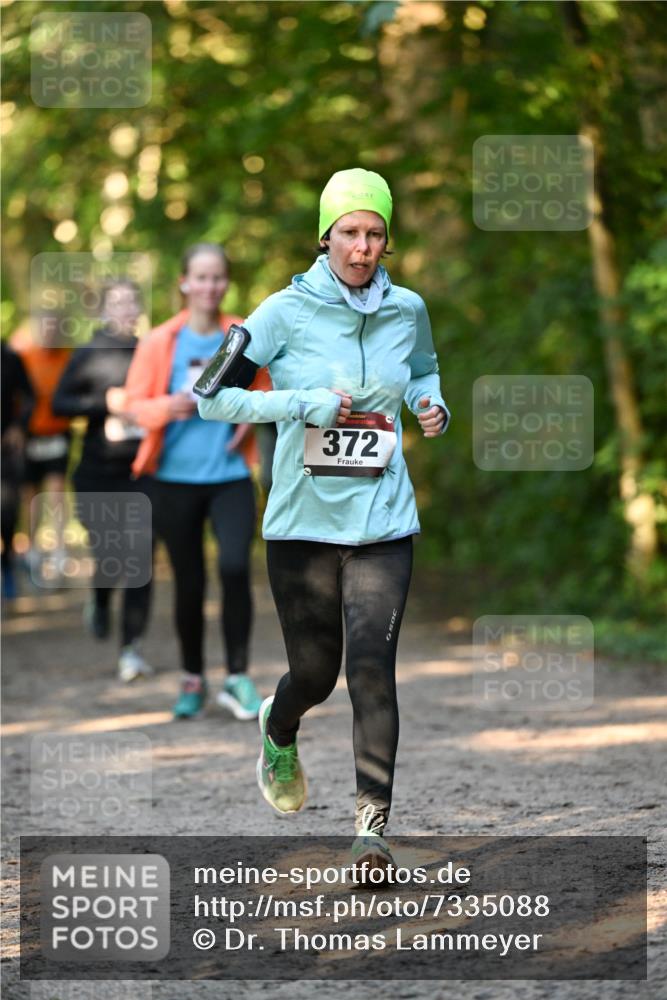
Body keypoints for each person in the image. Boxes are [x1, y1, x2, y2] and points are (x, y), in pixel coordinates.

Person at [198, 168, 450, 873]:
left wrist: (432, 406)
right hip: (302, 527)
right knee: (316, 674)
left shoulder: (408, 310)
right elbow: (210, 399)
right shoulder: (283, 311)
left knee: (373, 670)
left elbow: (424, 371)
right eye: (349, 232)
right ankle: (278, 729)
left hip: (383, 523)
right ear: (324, 235)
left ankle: (371, 832)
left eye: (375, 234)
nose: (363, 247)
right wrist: (300, 403)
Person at [123, 243, 270, 719]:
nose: (209, 287)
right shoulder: (160, 341)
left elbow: (267, 386)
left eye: (218, 278)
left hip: (229, 476)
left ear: (226, 283)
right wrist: (167, 406)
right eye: (200, 278)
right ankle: (192, 679)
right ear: (184, 283)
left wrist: (248, 419)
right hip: (172, 480)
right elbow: (132, 404)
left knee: (233, 568)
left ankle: (238, 678)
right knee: (189, 582)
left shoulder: (242, 335)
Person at [52, 279, 154, 682]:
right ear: (104, 311)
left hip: (142, 470)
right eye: (117, 303)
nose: (125, 309)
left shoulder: (152, 350)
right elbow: (60, 404)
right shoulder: (89, 353)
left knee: (139, 555)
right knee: (110, 560)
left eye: (131, 302)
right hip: (97, 473)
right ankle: (98, 599)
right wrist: (103, 405)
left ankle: (131, 648)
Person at [15, 311, 72, 580]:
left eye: (54, 326)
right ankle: (33, 548)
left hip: (58, 432)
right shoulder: (24, 354)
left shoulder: (67, 357)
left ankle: (59, 550)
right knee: (31, 496)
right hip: (30, 435)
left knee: (57, 492)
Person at [1, 341, 35, 600]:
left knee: (7, 511)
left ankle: (8, 564)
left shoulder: (10, 357)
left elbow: (29, 396)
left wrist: (18, 426)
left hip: (5, 450)